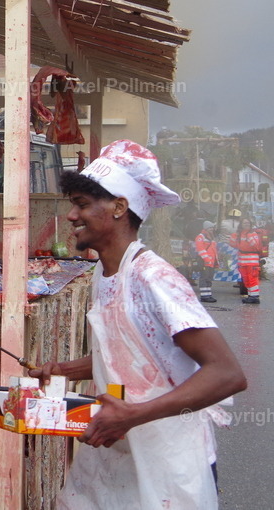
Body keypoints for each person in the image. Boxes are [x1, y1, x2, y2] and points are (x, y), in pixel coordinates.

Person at [29, 140, 247, 508]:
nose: (70, 216)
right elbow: (131, 351)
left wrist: (133, 415)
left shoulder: (153, 278)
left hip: (171, 460)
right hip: (122, 451)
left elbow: (228, 374)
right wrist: (64, 369)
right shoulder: (103, 271)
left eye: (82, 204)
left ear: (119, 207)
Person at [229, 216, 263, 304]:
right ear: (241, 225)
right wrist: (233, 236)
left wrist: (250, 237)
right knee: (246, 279)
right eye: (244, 223)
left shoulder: (253, 234)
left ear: (250, 225)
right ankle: (251, 296)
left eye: (248, 223)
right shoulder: (240, 234)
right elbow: (234, 245)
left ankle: (255, 297)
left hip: (252, 261)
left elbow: (256, 246)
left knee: (252, 279)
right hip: (243, 261)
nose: (246, 224)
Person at [193, 221, 218, 303]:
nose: (212, 229)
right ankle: (204, 296)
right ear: (206, 228)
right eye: (210, 228)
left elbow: (214, 250)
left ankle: (208, 294)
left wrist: (215, 261)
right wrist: (207, 259)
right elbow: (200, 249)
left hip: (211, 262)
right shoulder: (200, 237)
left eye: (212, 228)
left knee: (209, 278)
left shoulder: (211, 237)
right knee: (204, 278)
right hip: (205, 262)